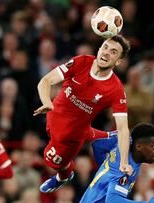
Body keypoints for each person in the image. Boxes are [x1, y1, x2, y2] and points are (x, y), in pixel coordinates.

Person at [34, 35, 132, 193]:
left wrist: (124, 162)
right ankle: (107, 136)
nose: (106, 53)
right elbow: (45, 81)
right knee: (57, 135)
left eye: (113, 52)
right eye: (105, 47)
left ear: (119, 62)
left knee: (51, 160)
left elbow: (123, 128)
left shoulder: (116, 89)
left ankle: (63, 177)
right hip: (53, 115)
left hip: (72, 136)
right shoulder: (81, 61)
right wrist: (46, 101)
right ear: (99, 49)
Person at [80, 123, 154, 203]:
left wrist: (106, 170)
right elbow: (112, 200)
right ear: (138, 146)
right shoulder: (125, 169)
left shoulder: (122, 141)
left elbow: (98, 145)